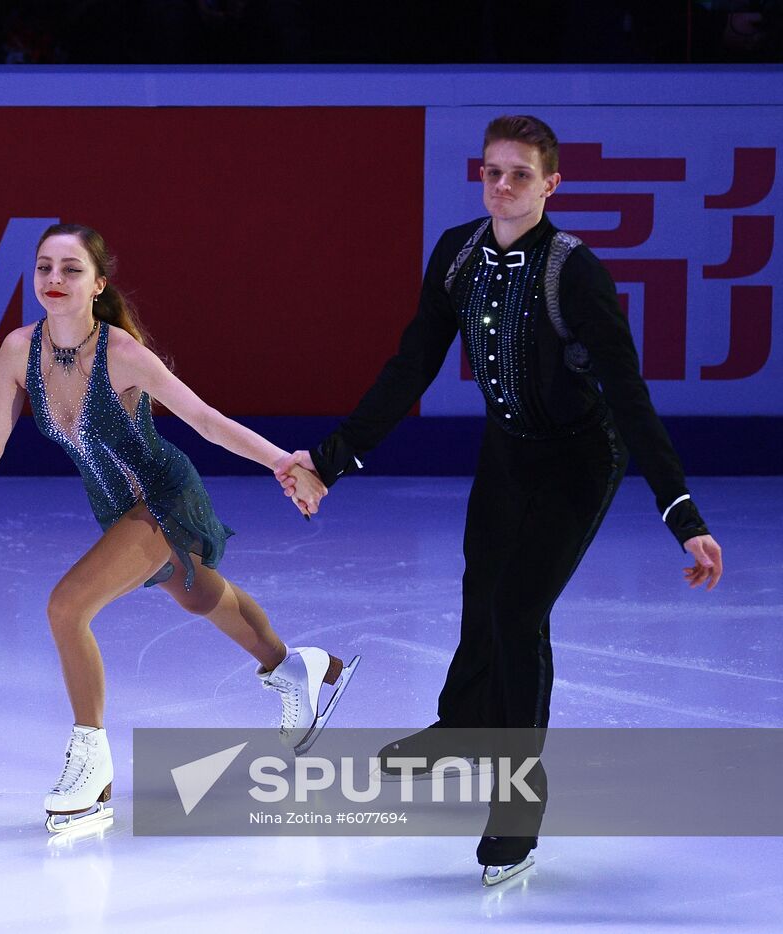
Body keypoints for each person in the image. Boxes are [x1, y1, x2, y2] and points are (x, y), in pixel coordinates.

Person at [278, 115, 723, 885]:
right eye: (493, 172)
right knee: (481, 586)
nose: (504, 186)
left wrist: (681, 514)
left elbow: (628, 396)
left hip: (581, 460)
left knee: (519, 612)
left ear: (552, 184)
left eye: (521, 174)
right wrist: (332, 457)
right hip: (508, 452)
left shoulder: (575, 274)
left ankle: (518, 796)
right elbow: (412, 363)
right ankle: (462, 726)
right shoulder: (456, 255)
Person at [0, 223, 360, 833]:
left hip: (163, 497)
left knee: (66, 607)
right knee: (198, 595)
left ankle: (94, 769)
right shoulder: (18, 351)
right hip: (117, 508)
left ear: (98, 284)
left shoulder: (123, 354)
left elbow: (207, 420)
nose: (54, 280)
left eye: (71, 269)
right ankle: (293, 667)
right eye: (44, 268)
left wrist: (282, 462)